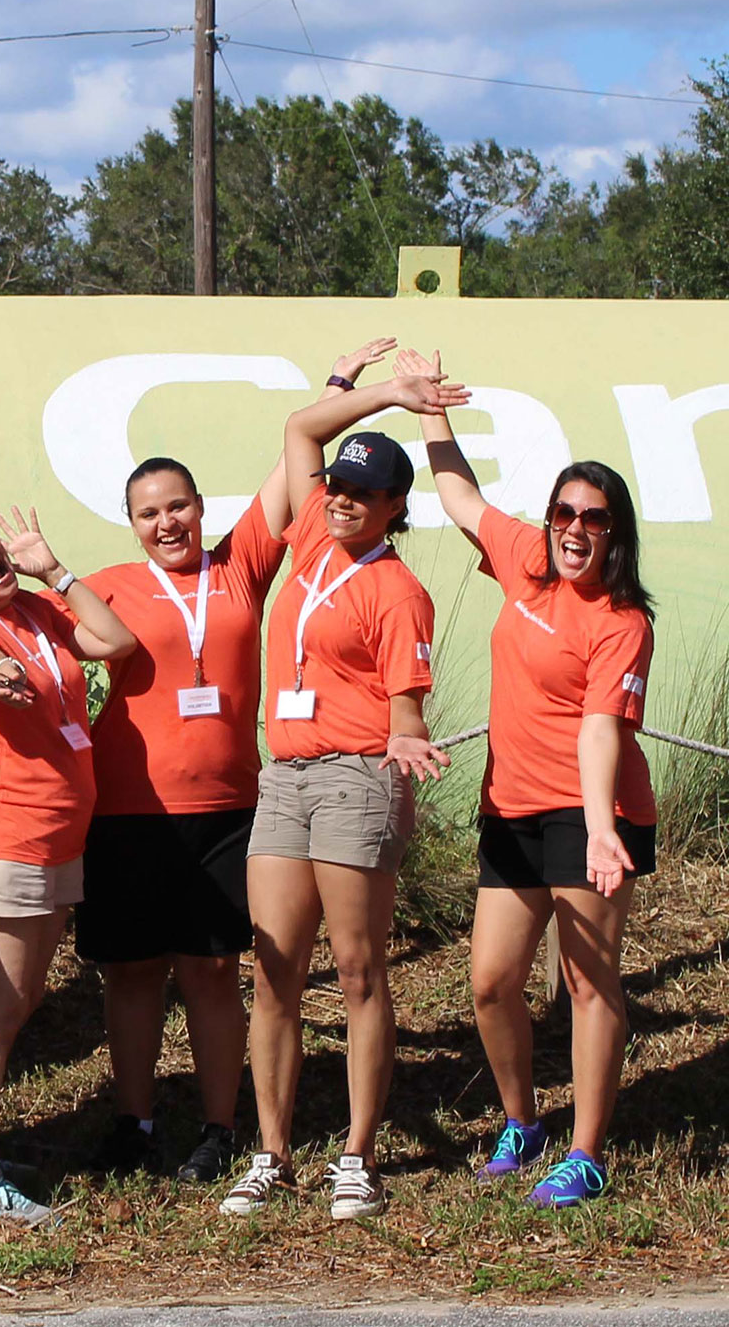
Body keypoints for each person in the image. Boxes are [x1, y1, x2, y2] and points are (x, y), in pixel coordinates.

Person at [72, 342, 397, 1188]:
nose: (167, 523)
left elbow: (298, 467)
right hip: (128, 810)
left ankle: (221, 1128)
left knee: (217, 971)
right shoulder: (107, 585)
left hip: (229, 811)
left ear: (197, 508)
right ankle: (134, 1121)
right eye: (149, 513)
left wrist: (341, 387)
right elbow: (18, 619)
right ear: (132, 523)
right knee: (135, 975)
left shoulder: (242, 565)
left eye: (178, 506)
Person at [405, 354, 656, 1209]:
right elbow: (460, 498)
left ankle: (585, 1151)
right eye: (564, 511)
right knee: (490, 980)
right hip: (510, 808)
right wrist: (431, 412)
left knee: (590, 982)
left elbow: (601, 728)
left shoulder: (623, 622)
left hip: (594, 811)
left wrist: (596, 828)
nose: (575, 527)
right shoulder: (524, 560)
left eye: (595, 517)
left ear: (616, 533)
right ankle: (524, 1121)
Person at [224, 360, 469, 1224]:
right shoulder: (309, 541)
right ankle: (271, 1153)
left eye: (364, 495)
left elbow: (407, 712)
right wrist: (385, 395)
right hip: (283, 779)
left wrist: (406, 745)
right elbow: (300, 428)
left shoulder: (399, 591)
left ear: (396, 507)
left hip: (356, 778)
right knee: (275, 971)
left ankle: (358, 1154)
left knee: (361, 971)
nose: (342, 500)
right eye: (338, 487)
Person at [0, 504, 139, 1224]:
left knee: (18, 1006)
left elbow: (114, 639)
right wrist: (0, 671)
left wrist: (56, 570)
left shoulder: (41, 608)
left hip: (56, 835)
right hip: (1, 838)